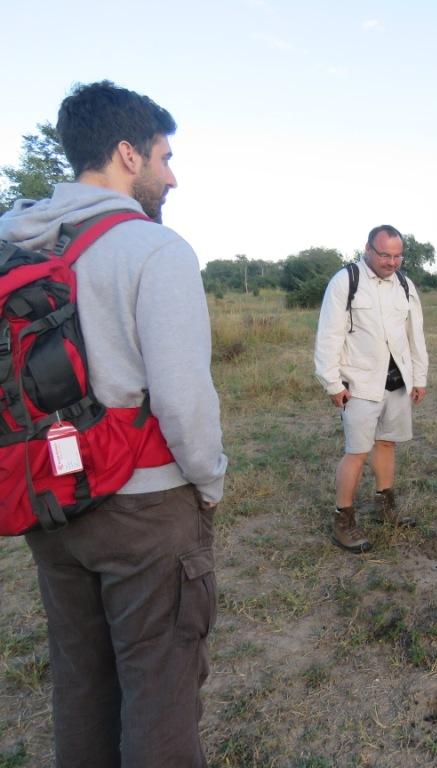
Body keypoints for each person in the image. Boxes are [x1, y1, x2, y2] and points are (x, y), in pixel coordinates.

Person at [0, 81, 227, 765]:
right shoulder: (154, 250)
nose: (172, 174)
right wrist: (209, 484)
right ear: (129, 153)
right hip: (145, 508)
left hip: (49, 505)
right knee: (159, 691)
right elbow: (184, 402)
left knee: (81, 682)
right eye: (164, 156)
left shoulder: (16, 246)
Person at [314, 225, 429, 553]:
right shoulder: (345, 281)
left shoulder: (405, 285)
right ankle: (343, 520)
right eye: (384, 255)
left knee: (387, 444)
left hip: (397, 383)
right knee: (357, 451)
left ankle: (385, 507)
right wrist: (332, 382)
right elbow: (329, 336)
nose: (391, 262)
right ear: (367, 249)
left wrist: (418, 378)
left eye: (397, 256)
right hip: (359, 384)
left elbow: (414, 335)